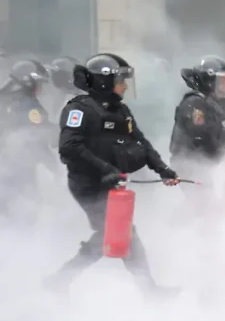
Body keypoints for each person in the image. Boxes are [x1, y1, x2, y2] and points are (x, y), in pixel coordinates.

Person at [44, 53, 181, 299]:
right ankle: (148, 291)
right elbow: (69, 147)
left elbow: (142, 143)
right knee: (119, 233)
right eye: (120, 79)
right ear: (104, 81)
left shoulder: (121, 111)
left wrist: (163, 170)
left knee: (118, 234)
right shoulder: (79, 109)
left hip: (110, 182)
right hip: (86, 183)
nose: (125, 85)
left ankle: (61, 280)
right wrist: (105, 169)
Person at [0, 60, 59, 214]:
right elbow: (37, 137)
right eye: (39, 82)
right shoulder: (27, 105)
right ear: (29, 82)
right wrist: (54, 167)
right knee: (23, 212)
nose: (41, 88)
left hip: (5, 167)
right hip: (19, 168)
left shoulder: (5, 99)